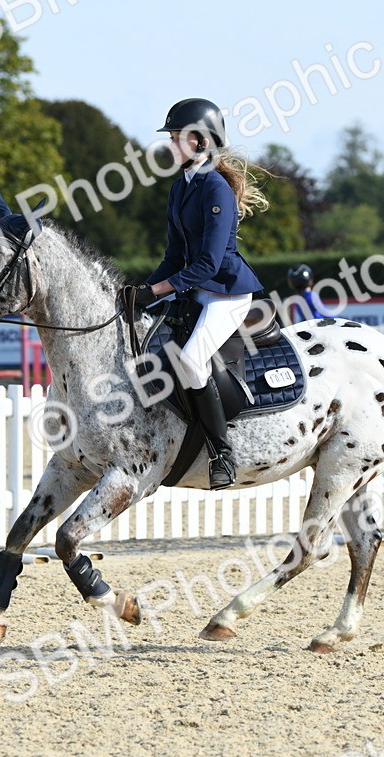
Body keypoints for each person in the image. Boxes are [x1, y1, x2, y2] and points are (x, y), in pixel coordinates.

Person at [130, 98, 267, 490]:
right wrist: (142, 290)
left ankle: (222, 454)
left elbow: (207, 263)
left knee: (190, 360)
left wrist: (158, 290)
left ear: (203, 142)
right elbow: (174, 257)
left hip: (226, 293)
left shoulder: (216, 189)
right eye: (171, 137)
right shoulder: (180, 187)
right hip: (195, 291)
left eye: (178, 137)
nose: (171, 144)